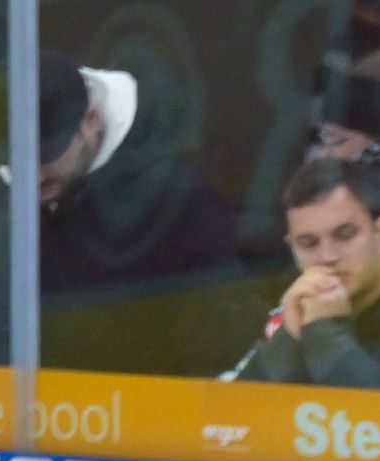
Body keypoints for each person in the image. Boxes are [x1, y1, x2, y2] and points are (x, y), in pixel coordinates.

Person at [25, 46, 251, 378]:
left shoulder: (181, 206)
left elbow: (218, 352)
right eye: (16, 157)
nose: (34, 172)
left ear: (91, 120)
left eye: (50, 153)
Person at [230, 152, 380, 392]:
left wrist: (326, 332)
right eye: (309, 244)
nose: (327, 257)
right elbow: (223, 419)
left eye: (344, 235)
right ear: (292, 248)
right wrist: (288, 338)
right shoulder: (280, 314)